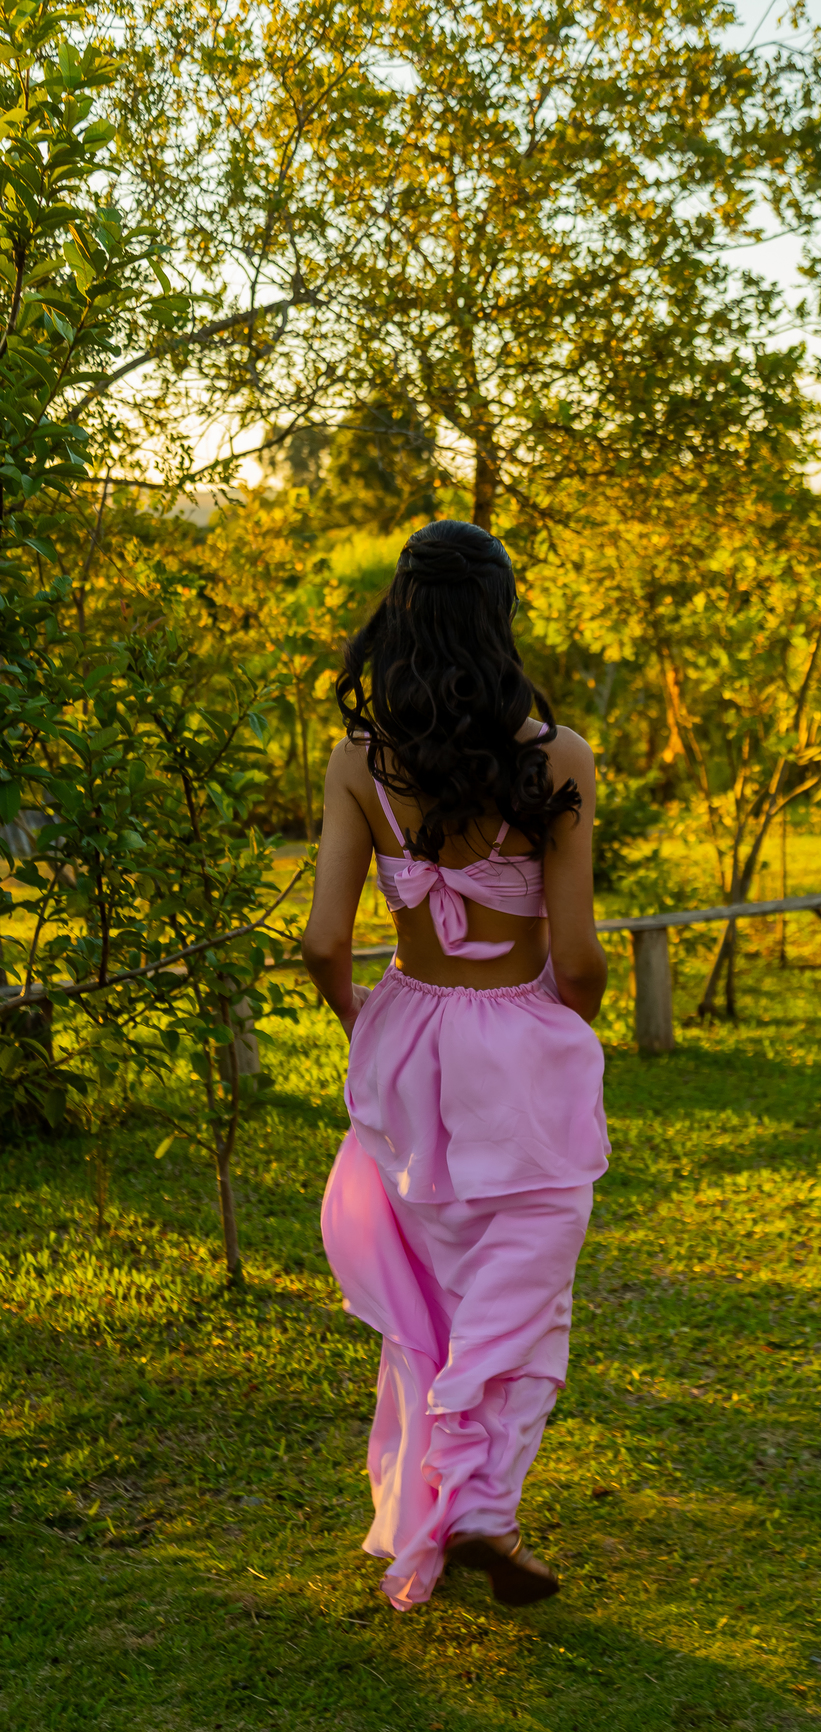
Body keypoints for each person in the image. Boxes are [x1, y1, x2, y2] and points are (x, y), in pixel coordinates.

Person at [301, 519, 608, 1613]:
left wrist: (367, 1026)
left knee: (435, 1282)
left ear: (401, 618)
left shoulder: (360, 763)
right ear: (499, 618)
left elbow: (324, 942)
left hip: (406, 1033)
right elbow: (579, 959)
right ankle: (477, 1501)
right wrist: (569, 1036)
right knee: (526, 1267)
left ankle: (462, 1502)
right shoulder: (557, 758)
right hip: (518, 1034)